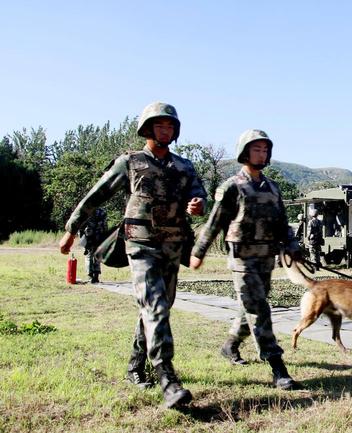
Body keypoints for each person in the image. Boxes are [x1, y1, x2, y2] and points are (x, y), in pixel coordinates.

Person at [59, 102, 206, 409]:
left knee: (156, 307)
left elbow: (198, 193)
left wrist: (197, 204)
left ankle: (135, 366)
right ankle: (167, 378)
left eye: (170, 127)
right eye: (159, 126)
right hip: (140, 244)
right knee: (154, 304)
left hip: (173, 245)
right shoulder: (130, 161)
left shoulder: (184, 166)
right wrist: (72, 228)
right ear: (147, 129)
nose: (165, 131)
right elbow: (96, 195)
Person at [189, 129, 301, 390]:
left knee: (249, 307)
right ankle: (277, 365)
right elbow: (214, 221)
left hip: (266, 259)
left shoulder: (272, 188)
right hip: (242, 260)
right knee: (259, 310)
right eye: (256, 149)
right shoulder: (232, 187)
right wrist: (199, 251)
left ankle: (230, 346)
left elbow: (283, 223)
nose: (261, 154)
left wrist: (293, 245)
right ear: (244, 152)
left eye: (265, 150)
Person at [80, 207, 107, 283]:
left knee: (89, 256)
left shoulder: (86, 210)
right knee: (97, 256)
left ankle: (90, 276)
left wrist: (82, 236)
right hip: (99, 236)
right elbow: (104, 225)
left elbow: (81, 225)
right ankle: (96, 276)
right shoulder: (102, 211)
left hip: (89, 236)